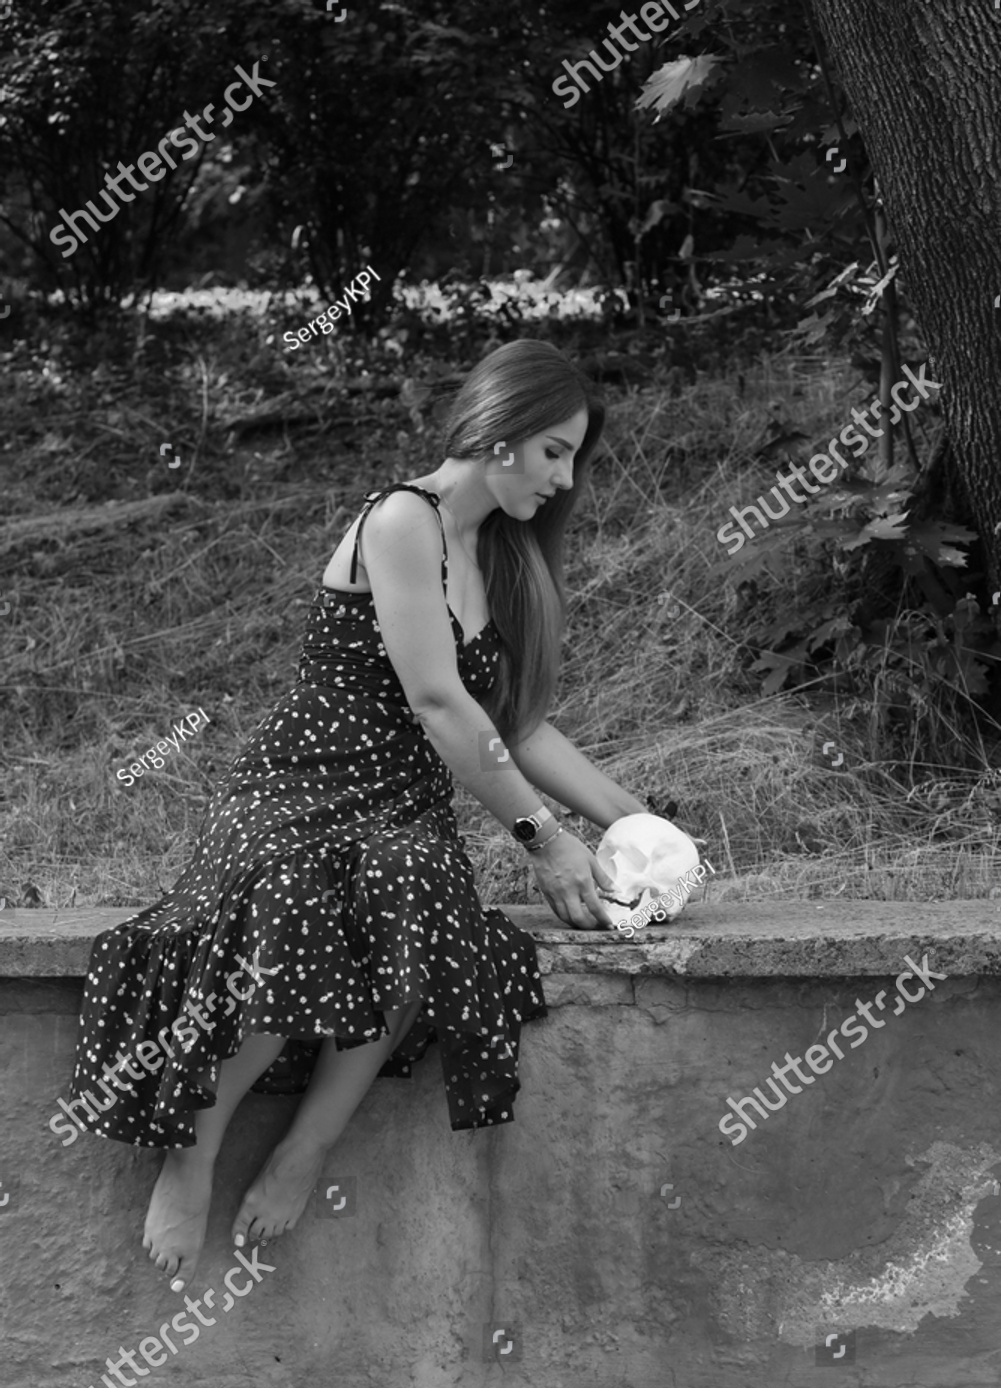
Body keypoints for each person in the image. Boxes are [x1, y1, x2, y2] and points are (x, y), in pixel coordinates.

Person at [69, 338, 654, 1292]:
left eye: (571, 458)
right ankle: (196, 1145)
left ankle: (307, 1146)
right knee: (301, 898)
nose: (564, 478)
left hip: (398, 809)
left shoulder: (495, 551)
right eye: (554, 450)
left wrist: (637, 825)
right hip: (297, 791)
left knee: (416, 887)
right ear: (500, 429)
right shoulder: (401, 520)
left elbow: (519, 726)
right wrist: (543, 840)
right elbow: (435, 700)